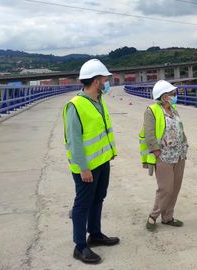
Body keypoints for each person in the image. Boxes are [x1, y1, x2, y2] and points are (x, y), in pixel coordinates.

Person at [63, 59, 119, 264]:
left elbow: (101, 131)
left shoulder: (98, 99)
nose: (107, 81)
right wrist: (83, 168)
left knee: (98, 198)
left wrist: (110, 152)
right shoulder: (75, 106)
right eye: (105, 78)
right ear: (96, 81)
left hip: (102, 162)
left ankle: (94, 234)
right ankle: (80, 246)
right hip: (86, 167)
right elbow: (74, 141)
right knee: (82, 204)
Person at [139, 80, 188, 232]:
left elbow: (179, 128)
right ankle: (153, 216)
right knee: (165, 188)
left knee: (175, 188)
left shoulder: (173, 109)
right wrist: (155, 150)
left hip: (179, 154)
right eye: (173, 94)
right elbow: (149, 132)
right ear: (165, 96)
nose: (175, 96)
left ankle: (168, 217)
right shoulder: (151, 110)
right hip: (164, 156)